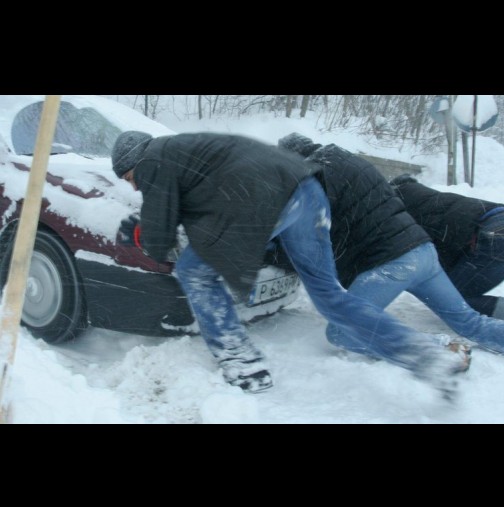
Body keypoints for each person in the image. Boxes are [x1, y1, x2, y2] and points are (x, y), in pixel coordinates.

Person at [111, 130, 466, 398]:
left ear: (134, 162)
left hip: (264, 199)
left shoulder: (153, 159)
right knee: (328, 296)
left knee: (194, 271)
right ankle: (424, 356)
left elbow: (159, 238)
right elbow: (203, 206)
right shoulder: (189, 151)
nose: (137, 186)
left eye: (130, 179)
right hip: (307, 192)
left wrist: (136, 234)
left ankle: (240, 360)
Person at [278, 132, 504, 360]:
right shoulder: (353, 161)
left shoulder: (315, 178)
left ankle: (438, 350)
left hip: (391, 263)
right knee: (468, 321)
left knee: (342, 333)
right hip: (423, 252)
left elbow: (312, 230)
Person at [390, 174, 504, 320]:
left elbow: (435, 248)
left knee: (451, 299)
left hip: (494, 233)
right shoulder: (417, 195)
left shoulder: (395, 208)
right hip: (497, 222)